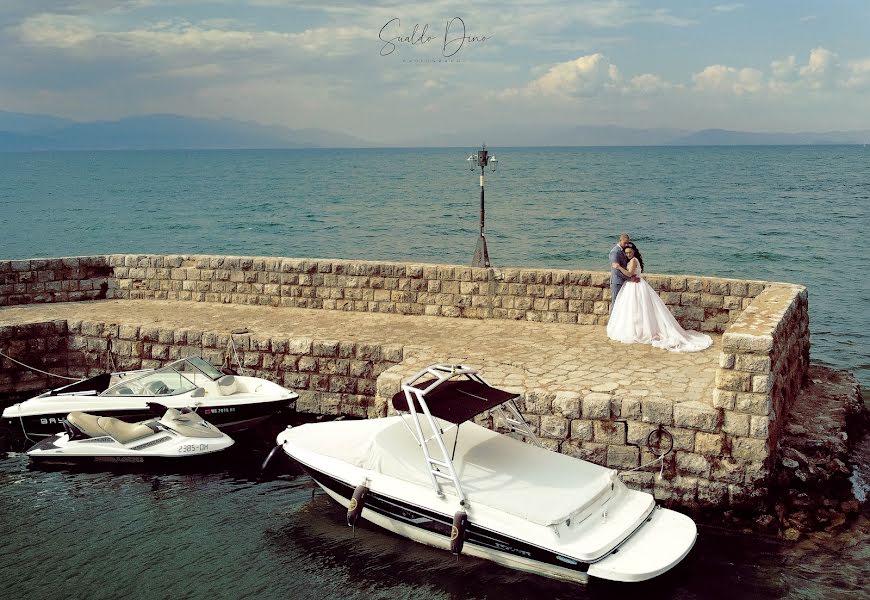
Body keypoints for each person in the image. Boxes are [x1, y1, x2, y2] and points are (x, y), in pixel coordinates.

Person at [606, 242, 712, 352]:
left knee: (637, 309)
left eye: (630, 252)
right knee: (636, 309)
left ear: (634, 252)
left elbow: (629, 274)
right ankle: (637, 330)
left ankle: (639, 332)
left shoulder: (633, 261)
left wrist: (618, 267)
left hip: (635, 286)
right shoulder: (633, 260)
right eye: (626, 253)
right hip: (634, 285)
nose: (628, 254)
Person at [609, 233, 634, 311]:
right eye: (624, 243)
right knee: (615, 302)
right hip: (617, 282)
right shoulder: (615, 252)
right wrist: (628, 278)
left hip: (623, 281)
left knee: (622, 303)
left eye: (627, 243)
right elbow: (616, 270)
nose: (626, 244)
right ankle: (612, 322)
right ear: (620, 241)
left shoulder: (623, 250)